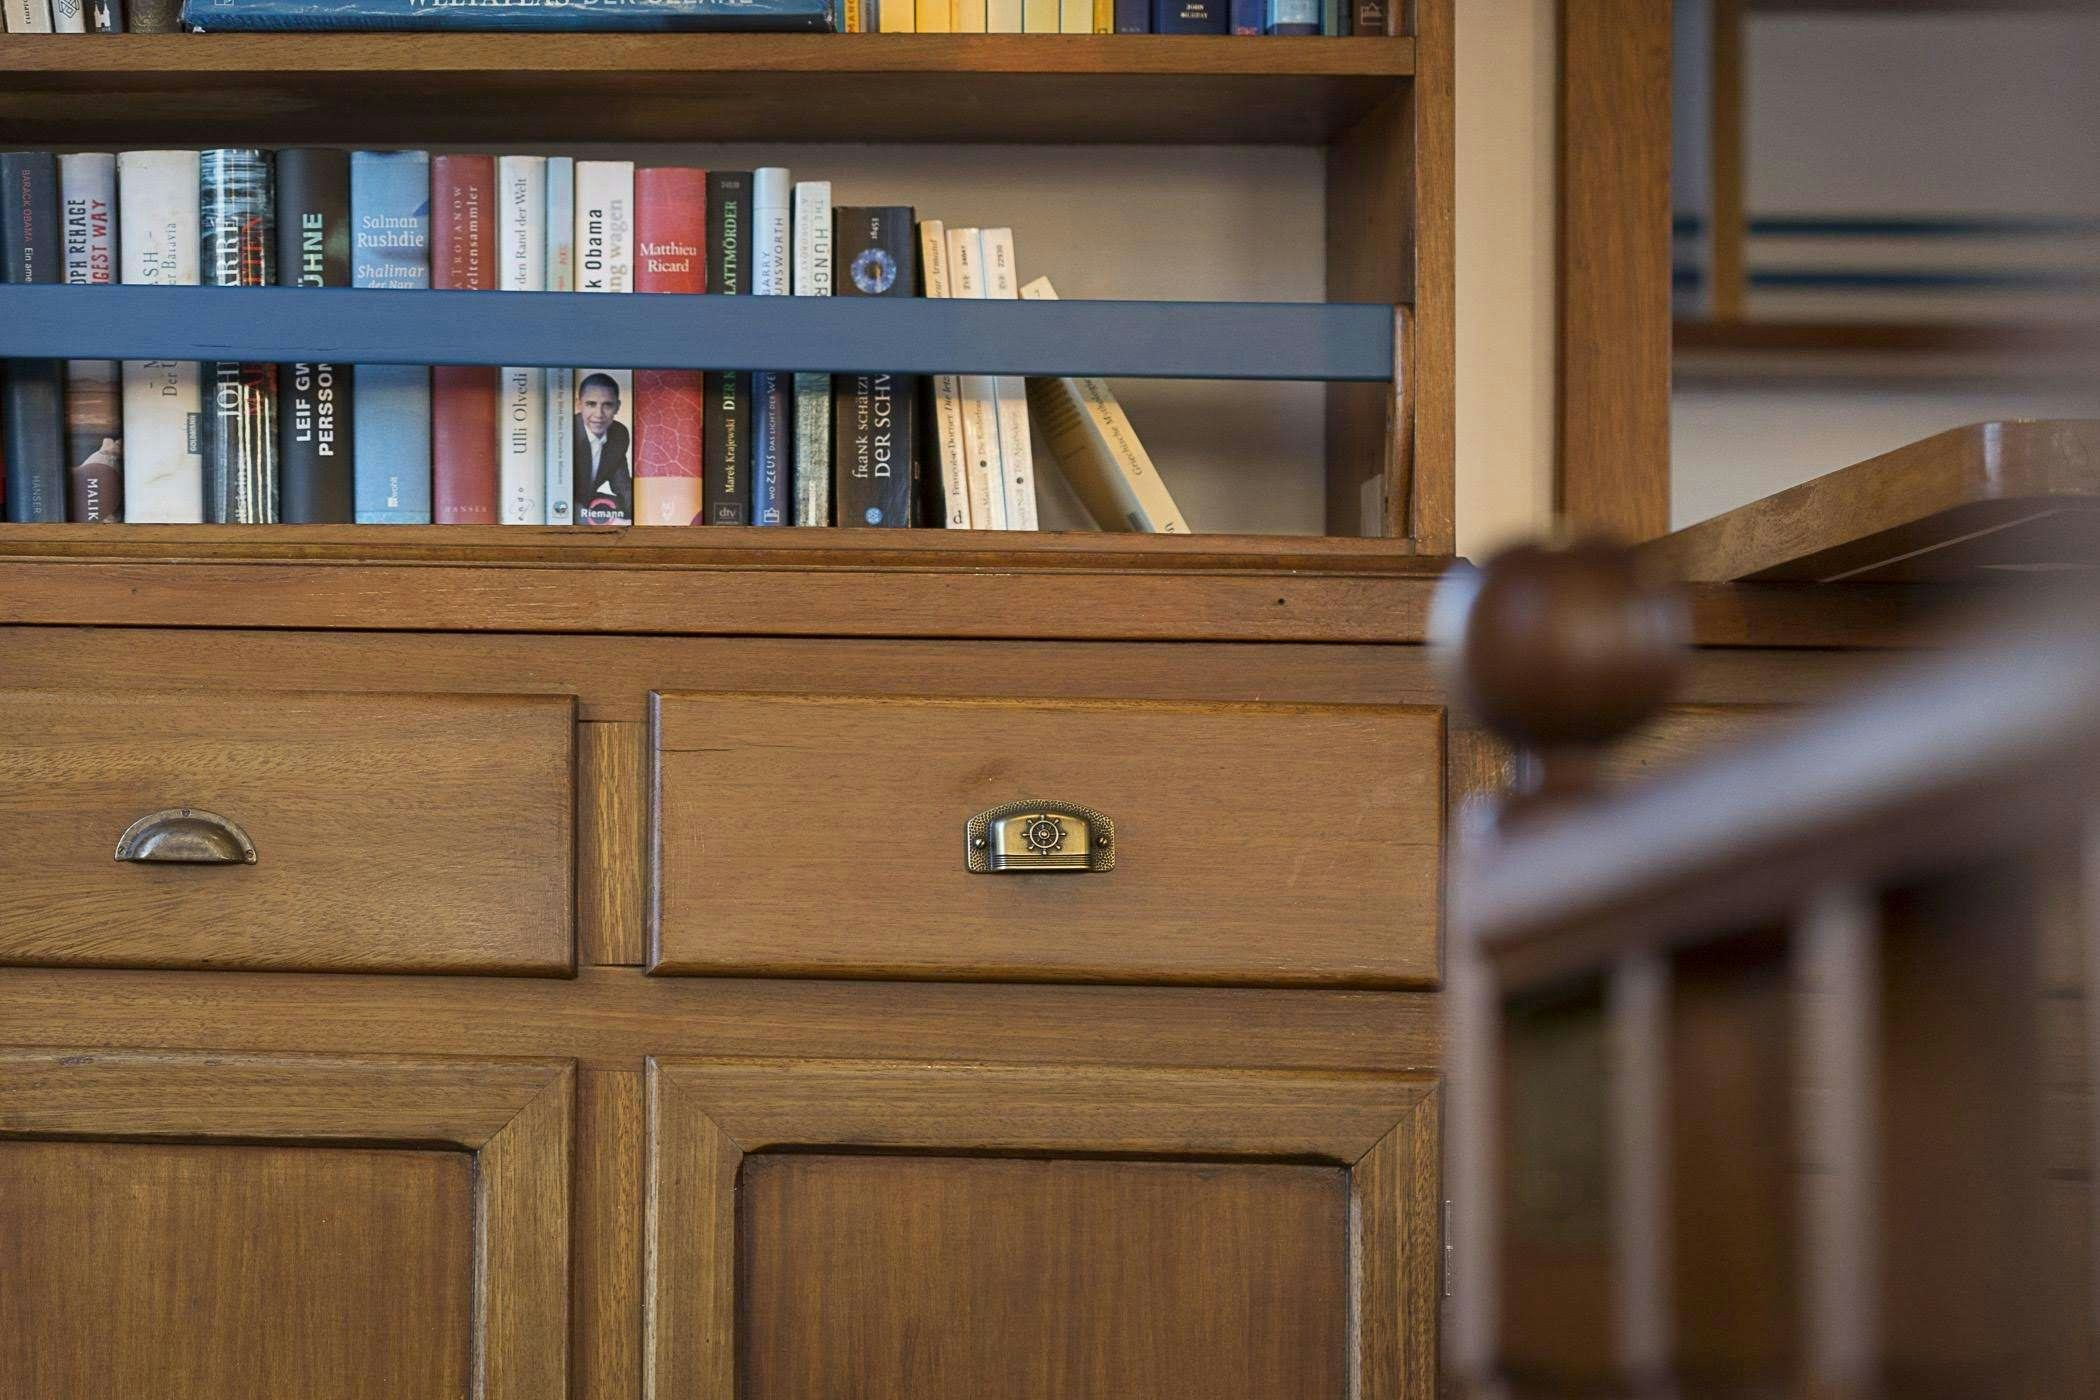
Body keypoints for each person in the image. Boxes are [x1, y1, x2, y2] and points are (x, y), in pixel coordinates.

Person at [572, 372, 632, 524]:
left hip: (589, 503)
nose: (599, 414)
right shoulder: (567, 433)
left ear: (617, 407)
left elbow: (623, 486)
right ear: (579, 405)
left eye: (607, 405)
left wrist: (640, 517)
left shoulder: (619, 434)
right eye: (591, 404)